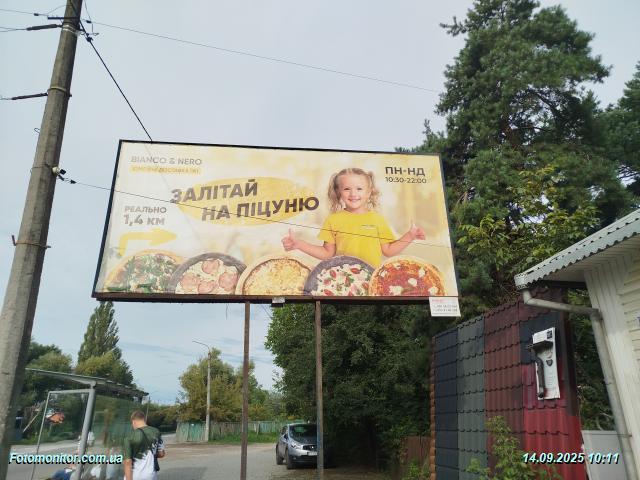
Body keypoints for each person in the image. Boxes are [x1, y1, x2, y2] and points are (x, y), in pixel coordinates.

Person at [282, 167, 425, 267]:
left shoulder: (377, 220)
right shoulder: (333, 220)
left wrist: (410, 235)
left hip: (371, 278)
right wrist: (299, 244)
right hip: (343, 279)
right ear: (339, 192)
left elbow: (388, 251)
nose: (353, 194)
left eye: (359, 189)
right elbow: (327, 253)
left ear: (369, 192)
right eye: (347, 189)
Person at [123, 411, 165, 480]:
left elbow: (128, 462)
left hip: (135, 476)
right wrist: (150, 454)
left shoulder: (129, 436)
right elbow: (161, 454)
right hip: (151, 476)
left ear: (133, 421)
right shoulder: (156, 432)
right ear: (144, 420)